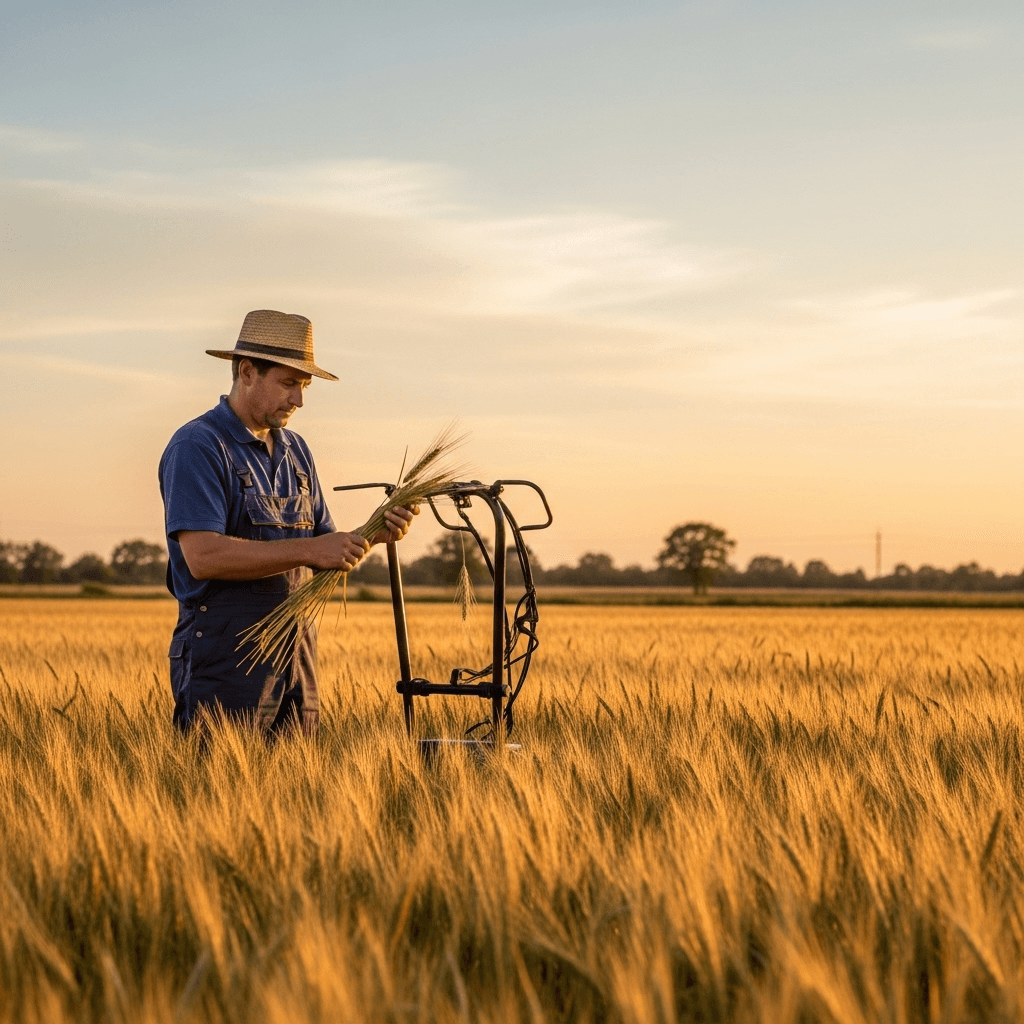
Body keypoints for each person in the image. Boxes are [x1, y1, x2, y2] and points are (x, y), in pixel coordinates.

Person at [158, 309, 415, 735]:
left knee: (298, 776)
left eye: (304, 386)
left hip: (298, 653)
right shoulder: (198, 445)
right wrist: (312, 549)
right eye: (288, 383)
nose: (299, 400)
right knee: (222, 777)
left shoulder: (297, 450)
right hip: (227, 658)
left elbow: (324, 548)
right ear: (247, 372)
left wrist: (372, 534)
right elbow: (203, 556)